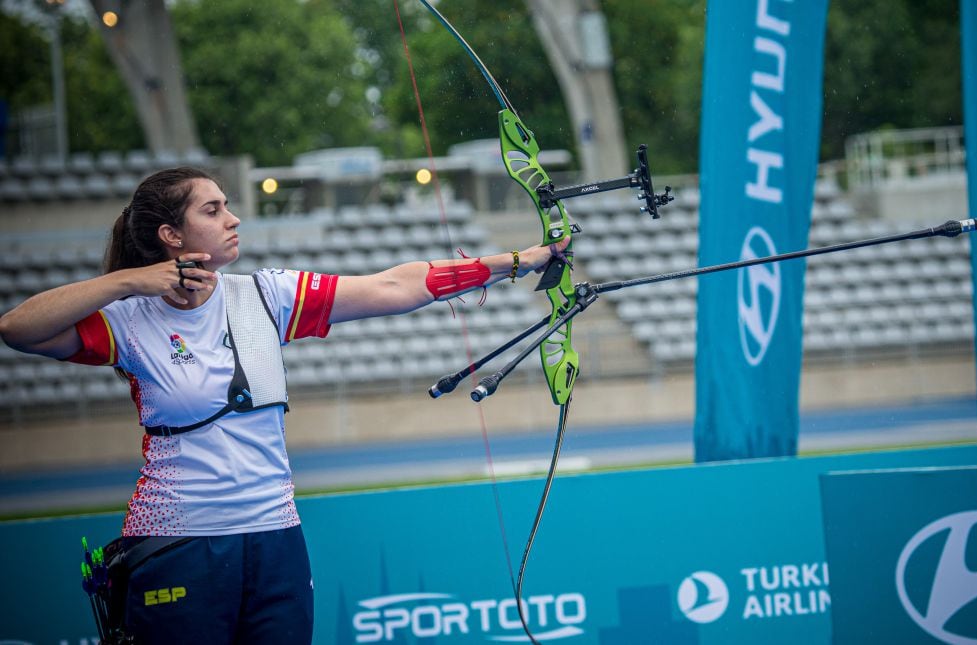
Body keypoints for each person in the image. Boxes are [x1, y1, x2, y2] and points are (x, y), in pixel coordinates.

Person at [0, 166, 567, 643]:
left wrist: (520, 259)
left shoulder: (266, 295)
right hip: (179, 540)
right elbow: (18, 329)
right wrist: (129, 283)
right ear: (172, 235)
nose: (232, 218)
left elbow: (398, 286)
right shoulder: (126, 320)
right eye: (213, 210)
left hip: (276, 539)